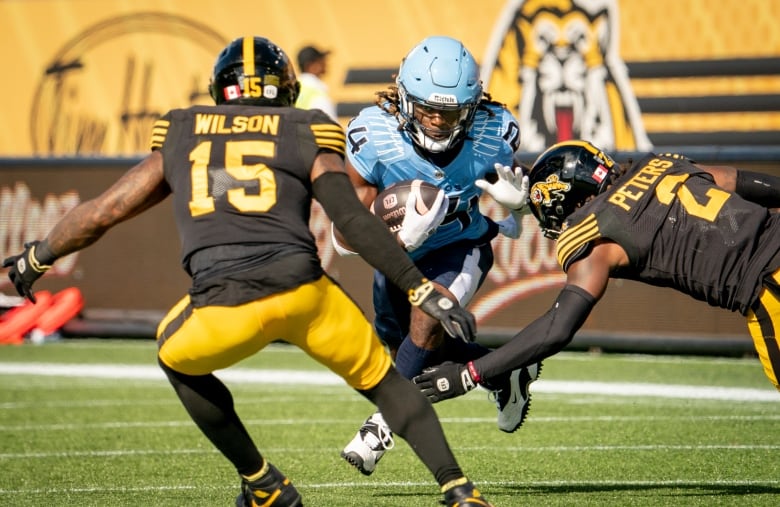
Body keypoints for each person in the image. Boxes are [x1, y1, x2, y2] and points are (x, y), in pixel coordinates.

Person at [3, 36, 495, 507]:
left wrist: (34, 259)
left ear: (219, 91)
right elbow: (350, 220)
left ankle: (263, 484)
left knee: (175, 358)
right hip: (305, 296)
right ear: (288, 89)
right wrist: (420, 287)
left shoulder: (182, 129)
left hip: (224, 304)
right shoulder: (306, 128)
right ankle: (460, 491)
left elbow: (104, 211)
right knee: (387, 384)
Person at [413, 139, 780, 407]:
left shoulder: (593, 231)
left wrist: (470, 373)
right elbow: (744, 182)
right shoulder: (660, 165)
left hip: (768, 285)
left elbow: (557, 328)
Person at [332, 35, 542, 477]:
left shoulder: (493, 132)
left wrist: (519, 204)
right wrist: (393, 239)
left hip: (460, 245)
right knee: (414, 347)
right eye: (426, 107)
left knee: (428, 319)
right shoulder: (374, 135)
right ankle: (504, 371)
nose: (435, 121)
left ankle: (381, 426)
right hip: (397, 257)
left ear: (471, 107)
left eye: (448, 113)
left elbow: (514, 185)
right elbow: (342, 236)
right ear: (403, 97)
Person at [295, 44, 338, 121]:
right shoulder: (316, 93)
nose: (325, 63)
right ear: (310, 65)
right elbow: (331, 127)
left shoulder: (292, 89)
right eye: (320, 60)